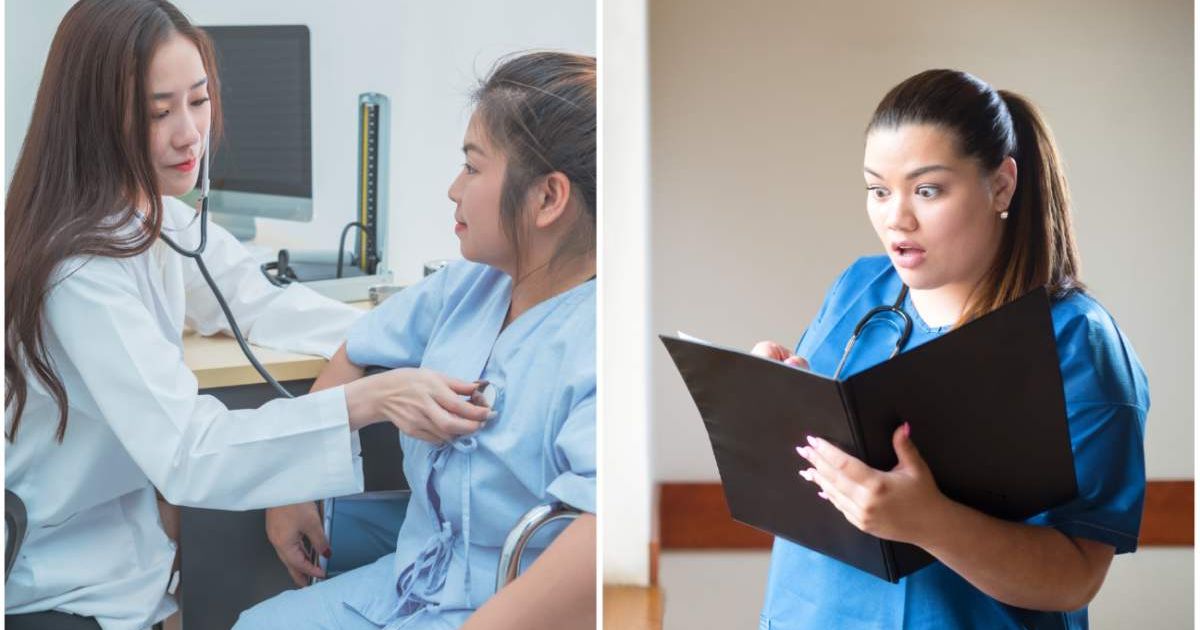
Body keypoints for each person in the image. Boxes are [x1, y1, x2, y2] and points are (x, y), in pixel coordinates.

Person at [5, 1, 489, 627]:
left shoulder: (161, 222)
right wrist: (372, 399)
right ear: (96, 121)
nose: (189, 133)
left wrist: (416, 333)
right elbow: (191, 452)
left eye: (198, 101)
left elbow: (262, 306)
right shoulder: (80, 270)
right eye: (159, 111)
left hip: (131, 560)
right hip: (62, 578)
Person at [752, 69, 1148, 629]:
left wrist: (930, 522)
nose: (896, 218)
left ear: (1002, 185)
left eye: (927, 189)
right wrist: (776, 402)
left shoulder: (1076, 341)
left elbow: (1077, 574)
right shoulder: (860, 287)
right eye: (878, 190)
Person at [235, 51, 598, 630]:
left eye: (474, 168)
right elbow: (356, 352)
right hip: (414, 579)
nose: (454, 189)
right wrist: (293, 488)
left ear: (547, 199)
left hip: (506, 609)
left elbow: (602, 532)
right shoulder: (466, 289)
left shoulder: (601, 345)